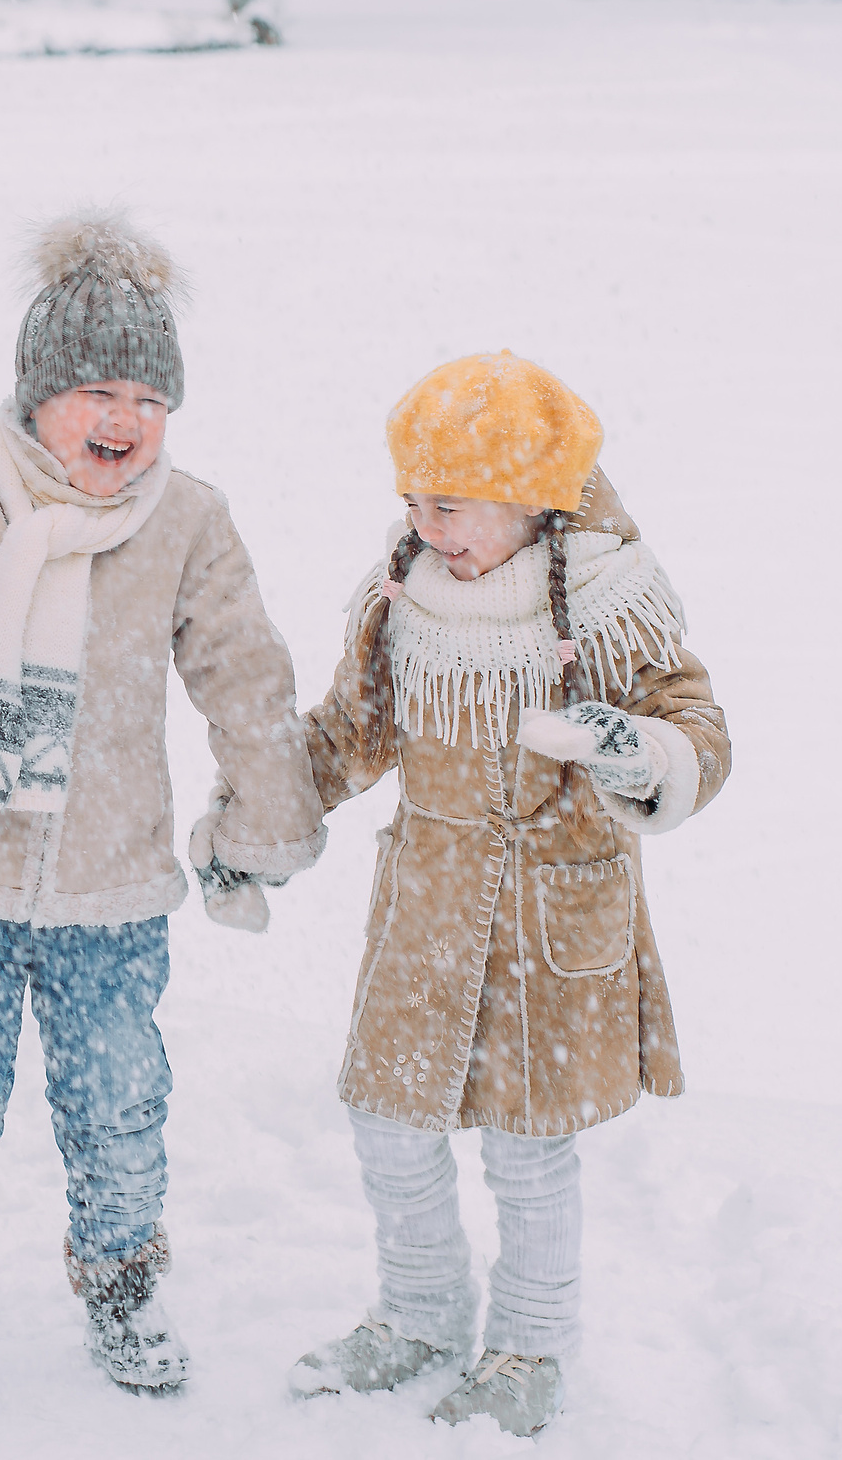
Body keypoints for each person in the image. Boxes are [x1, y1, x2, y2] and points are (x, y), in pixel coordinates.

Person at [0, 212, 325, 1418]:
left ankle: (122, 1283)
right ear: (38, 393)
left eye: (150, 400)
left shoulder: (185, 519)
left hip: (110, 883)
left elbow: (243, 669)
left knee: (118, 1101)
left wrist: (267, 814)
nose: (126, 420)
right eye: (99, 393)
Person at [280, 351, 731, 1437]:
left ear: (529, 494)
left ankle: (530, 1345)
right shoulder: (405, 599)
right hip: (425, 917)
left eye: (448, 503)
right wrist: (265, 796)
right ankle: (420, 1312)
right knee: (389, 1124)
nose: (425, 525)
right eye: (412, 500)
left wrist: (639, 749)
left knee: (528, 1153)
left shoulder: (610, 602)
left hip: (550, 928)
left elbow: (698, 730)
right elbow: (351, 732)